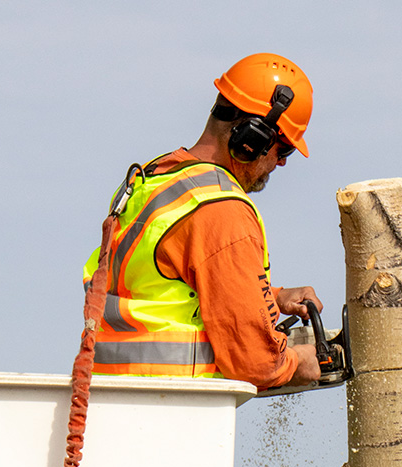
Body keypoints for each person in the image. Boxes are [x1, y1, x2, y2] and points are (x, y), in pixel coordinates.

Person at [84, 53, 323, 391]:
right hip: (175, 407)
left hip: (112, 398)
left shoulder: (153, 179)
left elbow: (159, 292)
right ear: (252, 138)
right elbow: (254, 363)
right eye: (282, 150)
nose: (281, 164)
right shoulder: (219, 208)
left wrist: (270, 297)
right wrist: (299, 362)